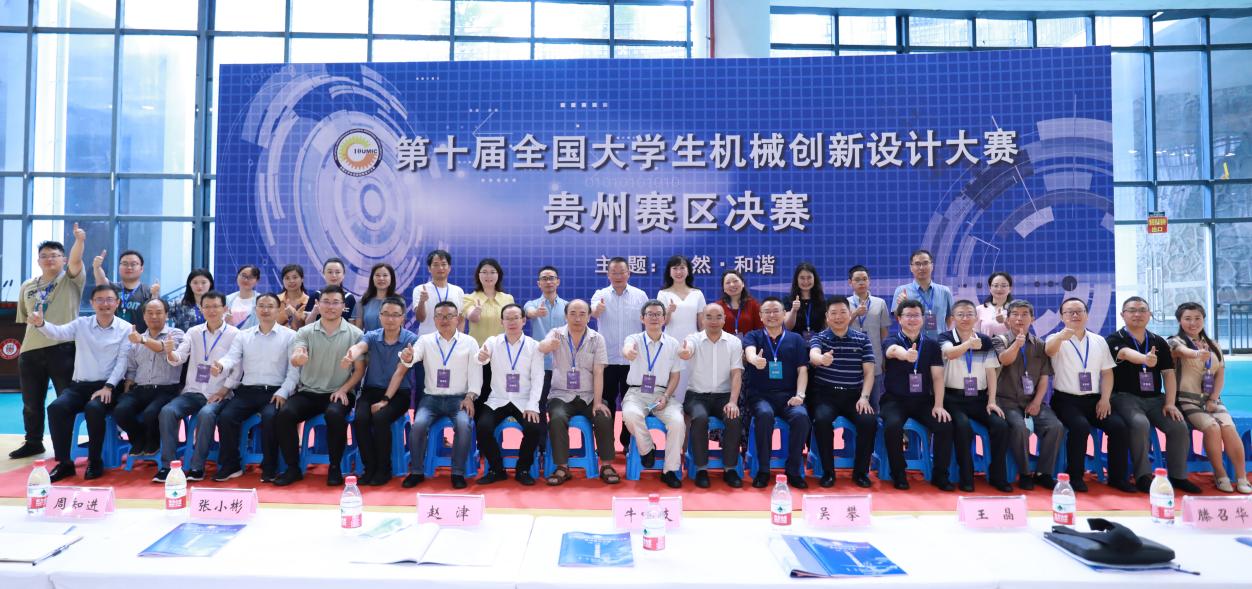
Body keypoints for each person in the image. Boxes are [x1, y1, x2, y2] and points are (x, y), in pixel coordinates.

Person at [29, 284, 133, 481]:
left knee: (94, 409)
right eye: (99, 299)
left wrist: (109, 386)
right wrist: (41, 323)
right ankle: (65, 463)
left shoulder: (126, 328)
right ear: (92, 303)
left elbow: (122, 363)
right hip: (80, 386)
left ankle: (95, 461)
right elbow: (58, 333)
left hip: (110, 386)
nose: (104, 304)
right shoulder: (82, 324)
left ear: (117, 303)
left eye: (109, 299)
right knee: (56, 408)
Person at [1107, 297, 1200, 493]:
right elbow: (1125, 353)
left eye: (1142, 310)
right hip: (1124, 397)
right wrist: (1144, 358)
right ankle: (1143, 476)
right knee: (1140, 423)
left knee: (1178, 426)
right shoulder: (1114, 339)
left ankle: (1178, 476)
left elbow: (1168, 374)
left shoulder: (1158, 341)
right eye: (1132, 310)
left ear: (1149, 314)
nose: (1137, 314)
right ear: (1123, 315)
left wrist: (1170, 403)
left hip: (1156, 399)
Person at [276, 285, 364, 486]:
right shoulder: (305, 331)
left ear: (343, 306)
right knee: (285, 414)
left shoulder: (356, 334)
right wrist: (298, 358)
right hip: (309, 392)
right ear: (318, 304)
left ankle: (334, 467)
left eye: (335, 302)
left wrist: (344, 389)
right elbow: (297, 354)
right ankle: (292, 468)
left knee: (334, 414)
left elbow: (359, 371)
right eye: (326, 302)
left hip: (339, 392)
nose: (330, 307)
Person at [12, 224, 87, 459]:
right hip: (30, 351)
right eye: (44, 256)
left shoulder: (71, 280)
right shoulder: (27, 286)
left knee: (66, 399)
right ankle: (33, 441)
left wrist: (79, 240)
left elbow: (76, 260)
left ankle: (66, 444)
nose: (49, 259)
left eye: (54, 255)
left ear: (63, 259)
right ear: (38, 261)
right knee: (31, 402)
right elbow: (24, 318)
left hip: (63, 348)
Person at [209, 292, 299, 482]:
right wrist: (221, 365)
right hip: (247, 392)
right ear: (255, 309)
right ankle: (231, 465)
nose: (265, 310)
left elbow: (294, 371)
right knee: (226, 417)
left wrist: (284, 392)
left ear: (279, 309)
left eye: (270, 306)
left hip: (275, 392)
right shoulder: (243, 335)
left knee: (270, 417)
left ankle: (270, 467)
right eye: (261, 306)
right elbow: (232, 357)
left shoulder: (290, 336)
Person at [1045, 297, 1133, 493]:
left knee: (1118, 427)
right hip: (1065, 400)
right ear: (1062, 317)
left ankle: (1117, 478)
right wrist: (1061, 337)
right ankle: (1075, 476)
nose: (1075, 315)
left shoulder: (1098, 340)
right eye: (1069, 312)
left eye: (1079, 311)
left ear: (1086, 315)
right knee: (1080, 426)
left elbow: (1107, 373)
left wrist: (1105, 399)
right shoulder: (1055, 338)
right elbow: (1049, 351)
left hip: (1094, 400)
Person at [1168, 302, 1250, 493]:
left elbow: (1220, 374)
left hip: (1212, 400)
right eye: (1188, 319)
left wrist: (1213, 399)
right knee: (1212, 428)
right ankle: (1220, 475)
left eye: (1197, 318)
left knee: (1228, 427)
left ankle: (1242, 477)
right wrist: (1197, 353)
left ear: (1203, 319)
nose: (1193, 323)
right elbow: (1182, 352)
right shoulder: (1174, 342)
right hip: (1186, 400)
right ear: (1180, 321)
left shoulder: (1213, 344)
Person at [157, 290, 239, 482]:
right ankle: (168, 466)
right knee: (167, 412)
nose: (211, 310)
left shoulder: (235, 334)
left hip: (219, 393)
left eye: (216, 306)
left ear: (225, 309)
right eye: (207, 307)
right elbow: (179, 357)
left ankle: (197, 466)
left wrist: (224, 390)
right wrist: (170, 353)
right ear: (201, 309)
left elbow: (238, 368)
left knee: (206, 414)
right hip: (193, 391)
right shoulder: (193, 332)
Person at [399, 300, 480, 489]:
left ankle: (457, 473)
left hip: (459, 399)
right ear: (434, 319)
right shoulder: (425, 340)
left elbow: (476, 373)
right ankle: (416, 472)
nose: (445, 320)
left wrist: (470, 396)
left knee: (464, 425)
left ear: (457, 319)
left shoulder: (469, 342)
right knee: (418, 425)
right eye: (440, 316)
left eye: (449, 316)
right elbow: (412, 357)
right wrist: (407, 357)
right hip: (431, 399)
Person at [537, 299, 618, 485]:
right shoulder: (556, 334)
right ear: (565, 316)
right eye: (572, 313)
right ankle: (562, 467)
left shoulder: (597, 339)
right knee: (557, 417)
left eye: (582, 314)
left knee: (604, 415)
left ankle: (606, 465)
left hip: (589, 395)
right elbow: (541, 347)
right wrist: (548, 345)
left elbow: (598, 371)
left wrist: (598, 402)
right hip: (561, 395)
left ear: (589, 317)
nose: (577, 318)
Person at [881, 299, 955, 491]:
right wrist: (905, 355)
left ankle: (940, 475)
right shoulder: (892, 340)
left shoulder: (931, 345)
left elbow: (937, 377)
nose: (912, 319)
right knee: (892, 426)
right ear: (899, 319)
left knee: (944, 425)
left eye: (916, 315)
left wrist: (938, 405)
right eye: (908, 315)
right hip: (895, 400)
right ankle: (898, 473)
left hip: (923, 401)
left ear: (923, 319)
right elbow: (892, 351)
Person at [343, 296, 415, 485]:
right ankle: (369, 468)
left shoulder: (410, 340)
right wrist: (351, 354)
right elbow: (360, 347)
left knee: (381, 418)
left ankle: (384, 469)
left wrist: (385, 400)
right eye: (386, 314)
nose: (390, 319)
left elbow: (400, 373)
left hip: (398, 393)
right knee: (360, 419)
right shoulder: (372, 336)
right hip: (371, 390)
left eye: (395, 315)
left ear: (403, 317)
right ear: (380, 316)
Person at [806, 296, 878, 488]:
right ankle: (828, 472)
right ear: (827, 317)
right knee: (821, 421)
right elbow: (813, 355)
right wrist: (821, 359)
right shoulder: (819, 337)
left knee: (869, 421)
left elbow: (869, 372)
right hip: (825, 396)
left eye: (842, 312)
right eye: (834, 313)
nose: (838, 317)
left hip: (854, 395)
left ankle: (860, 472)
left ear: (850, 314)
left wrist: (864, 398)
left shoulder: (862, 339)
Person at [940, 299, 1010, 492]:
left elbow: (991, 372)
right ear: (953, 318)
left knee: (1001, 426)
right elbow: (950, 353)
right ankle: (966, 477)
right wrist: (968, 344)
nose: (965, 318)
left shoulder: (984, 341)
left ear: (976, 317)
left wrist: (992, 401)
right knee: (963, 428)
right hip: (952, 399)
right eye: (960, 314)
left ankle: (997, 476)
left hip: (979, 399)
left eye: (969, 314)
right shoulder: (945, 337)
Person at [992, 299, 1062, 490]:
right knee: (1019, 428)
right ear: (1007, 319)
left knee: (1055, 426)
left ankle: (1043, 473)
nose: (1019, 318)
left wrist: (1038, 402)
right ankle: (1024, 473)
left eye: (1024, 314)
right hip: (1006, 401)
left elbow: (1044, 378)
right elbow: (1004, 360)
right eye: (1014, 314)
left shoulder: (1040, 345)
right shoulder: (999, 340)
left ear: (1033, 318)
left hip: (1032, 400)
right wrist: (1016, 345)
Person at [743, 297, 811, 489]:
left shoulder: (795, 339)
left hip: (789, 396)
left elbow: (802, 370)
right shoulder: (753, 336)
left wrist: (800, 395)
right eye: (767, 312)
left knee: (801, 417)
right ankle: (763, 470)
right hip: (760, 396)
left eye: (776, 311)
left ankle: (793, 470)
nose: (772, 315)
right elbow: (749, 352)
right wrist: (754, 360)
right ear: (760, 316)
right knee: (764, 415)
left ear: (784, 314)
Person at [473, 304, 545, 486]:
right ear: (501, 322)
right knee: (482, 427)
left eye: (516, 318)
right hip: (498, 399)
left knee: (534, 428)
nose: (512, 322)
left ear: (523, 320)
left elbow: (538, 378)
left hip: (524, 400)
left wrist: (533, 405)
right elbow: (480, 357)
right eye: (508, 318)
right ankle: (497, 469)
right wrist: (481, 357)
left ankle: (523, 469)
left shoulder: (534, 346)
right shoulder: (492, 342)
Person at [620, 300, 687, 488]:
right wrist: (628, 352)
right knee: (630, 415)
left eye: (658, 314)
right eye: (650, 314)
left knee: (677, 422)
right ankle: (647, 449)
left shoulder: (673, 343)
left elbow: (675, 376)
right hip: (637, 392)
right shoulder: (634, 339)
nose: (654, 317)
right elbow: (627, 348)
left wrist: (666, 396)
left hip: (662, 394)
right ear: (642, 318)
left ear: (664, 319)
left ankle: (670, 470)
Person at [677, 303, 744, 488]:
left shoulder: (734, 342)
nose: (713, 321)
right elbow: (686, 350)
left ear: (724, 319)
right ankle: (701, 469)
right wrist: (684, 353)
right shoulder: (693, 339)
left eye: (718, 317)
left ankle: (730, 468)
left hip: (724, 396)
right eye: (709, 317)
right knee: (700, 418)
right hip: (696, 396)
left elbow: (736, 373)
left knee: (734, 418)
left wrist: (733, 401)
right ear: (702, 319)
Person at [113, 298, 184, 459]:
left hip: (167, 389)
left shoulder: (176, 334)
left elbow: (164, 349)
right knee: (121, 410)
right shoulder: (136, 339)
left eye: (159, 312)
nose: (154, 316)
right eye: (150, 313)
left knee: (151, 413)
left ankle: (154, 441)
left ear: (166, 314)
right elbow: (132, 368)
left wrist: (143, 340)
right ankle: (138, 439)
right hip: (140, 388)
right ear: (144, 316)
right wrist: (128, 386)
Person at [590, 257, 648, 449]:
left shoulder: (640, 296)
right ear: (608, 275)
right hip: (607, 360)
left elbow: (647, 321)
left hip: (632, 360)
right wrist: (597, 309)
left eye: (621, 272)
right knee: (606, 402)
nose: (618, 276)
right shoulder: (600, 294)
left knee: (630, 403)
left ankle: (627, 442)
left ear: (628, 273)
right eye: (614, 272)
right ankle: (606, 444)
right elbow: (593, 312)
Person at [464, 258, 514, 410]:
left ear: (498, 275)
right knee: (481, 392)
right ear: (478, 275)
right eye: (484, 272)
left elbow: (512, 324)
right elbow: (472, 317)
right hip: (478, 354)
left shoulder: (507, 299)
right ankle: (480, 424)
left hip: (501, 354)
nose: (488, 275)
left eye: (492, 272)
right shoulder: (470, 297)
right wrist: (477, 310)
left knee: (500, 392)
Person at [657, 255, 705, 404]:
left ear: (688, 271)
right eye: (675, 268)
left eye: (682, 268)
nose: (679, 272)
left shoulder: (697, 293)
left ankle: (689, 416)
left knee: (691, 382)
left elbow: (702, 324)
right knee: (672, 379)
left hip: (692, 344)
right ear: (669, 272)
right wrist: (669, 311)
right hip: (670, 343)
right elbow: (661, 323)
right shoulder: (663, 294)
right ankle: (672, 415)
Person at [524, 265, 567, 411]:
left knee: (562, 407)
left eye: (551, 278)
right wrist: (536, 312)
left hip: (562, 364)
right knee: (539, 405)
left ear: (558, 282)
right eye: (544, 279)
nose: (548, 282)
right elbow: (529, 312)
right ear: (539, 283)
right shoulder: (532, 304)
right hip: (540, 364)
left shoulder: (568, 307)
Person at [847, 265, 891, 407]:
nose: (861, 283)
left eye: (864, 279)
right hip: (851, 358)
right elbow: (839, 328)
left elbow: (884, 332)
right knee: (852, 405)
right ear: (850, 282)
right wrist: (855, 314)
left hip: (874, 357)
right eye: (857, 280)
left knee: (874, 403)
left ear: (869, 281)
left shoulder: (880, 303)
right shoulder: (845, 304)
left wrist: (884, 356)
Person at [891, 249, 953, 338]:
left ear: (932, 266)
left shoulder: (945, 291)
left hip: (939, 342)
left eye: (925, 263)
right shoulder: (901, 290)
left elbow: (950, 318)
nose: (921, 267)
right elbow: (898, 318)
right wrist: (901, 305)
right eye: (917, 264)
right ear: (911, 268)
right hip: (912, 342)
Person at [92, 248, 155, 325]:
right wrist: (97, 267)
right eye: (125, 264)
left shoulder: (148, 291)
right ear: (119, 268)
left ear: (141, 269)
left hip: (139, 332)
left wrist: (155, 295)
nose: (129, 267)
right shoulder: (112, 289)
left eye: (133, 264)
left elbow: (154, 315)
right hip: (113, 332)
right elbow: (101, 279)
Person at [413, 249, 465, 336]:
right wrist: (422, 301)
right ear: (429, 268)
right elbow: (420, 318)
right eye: (436, 265)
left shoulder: (458, 291)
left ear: (449, 268)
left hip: (451, 340)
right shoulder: (420, 289)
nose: (440, 268)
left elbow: (461, 319)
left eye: (443, 264)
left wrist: (459, 339)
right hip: (427, 340)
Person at [304, 258, 358, 326]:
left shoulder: (349, 298)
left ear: (343, 275)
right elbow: (307, 325)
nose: (334, 275)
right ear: (323, 274)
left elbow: (352, 326)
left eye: (337, 272)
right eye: (330, 272)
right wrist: (314, 312)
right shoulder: (316, 296)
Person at [785, 261, 826, 341]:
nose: (806, 281)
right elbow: (787, 327)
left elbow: (826, 327)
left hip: (818, 344)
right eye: (802, 278)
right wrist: (794, 310)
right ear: (796, 279)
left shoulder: (822, 302)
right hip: (794, 344)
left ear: (814, 279)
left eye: (809, 278)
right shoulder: (788, 301)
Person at [353, 262, 398, 332]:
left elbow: (400, 330)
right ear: (372, 279)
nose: (381, 278)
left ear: (391, 278)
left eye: (385, 275)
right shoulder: (363, 301)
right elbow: (358, 331)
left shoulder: (398, 301)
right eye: (377, 275)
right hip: (367, 339)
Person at [716, 269, 762, 336]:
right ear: (723, 288)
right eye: (728, 283)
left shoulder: (754, 305)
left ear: (743, 284)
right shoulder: (718, 307)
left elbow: (760, 329)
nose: (732, 285)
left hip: (749, 342)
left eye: (735, 281)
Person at [975, 272, 1013, 338]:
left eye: (1003, 286)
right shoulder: (979, 309)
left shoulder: (1016, 309)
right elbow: (974, 334)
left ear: (1009, 289)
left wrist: (1005, 322)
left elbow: (1020, 333)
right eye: (995, 285)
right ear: (990, 288)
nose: (999, 289)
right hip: (986, 344)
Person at [224, 265, 261, 330]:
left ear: (257, 281)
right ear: (237, 276)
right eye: (243, 276)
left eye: (251, 277)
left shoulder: (261, 300)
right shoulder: (227, 299)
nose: (246, 280)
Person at [275, 264, 309, 330]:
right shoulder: (276, 300)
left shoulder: (309, 301)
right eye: (287, 278)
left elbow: (309, 326)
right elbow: (270, 323)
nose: (291, 281)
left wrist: (294, 314)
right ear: (282, 281)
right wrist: (285, 314)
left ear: (302, 279)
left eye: (295, 277)